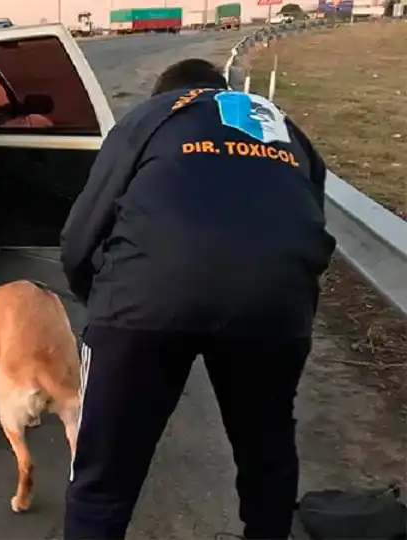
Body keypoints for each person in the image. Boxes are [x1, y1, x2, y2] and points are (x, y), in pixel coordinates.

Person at [60, 58, 337, 540]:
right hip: (272, 304)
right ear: (221, 87)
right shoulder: (281, 124)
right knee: (266, 455)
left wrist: (99, 302)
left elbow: (83, 228)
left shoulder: (151, 117)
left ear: (165, 92)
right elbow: (309, 220)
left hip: (144, 298)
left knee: (103, 477)